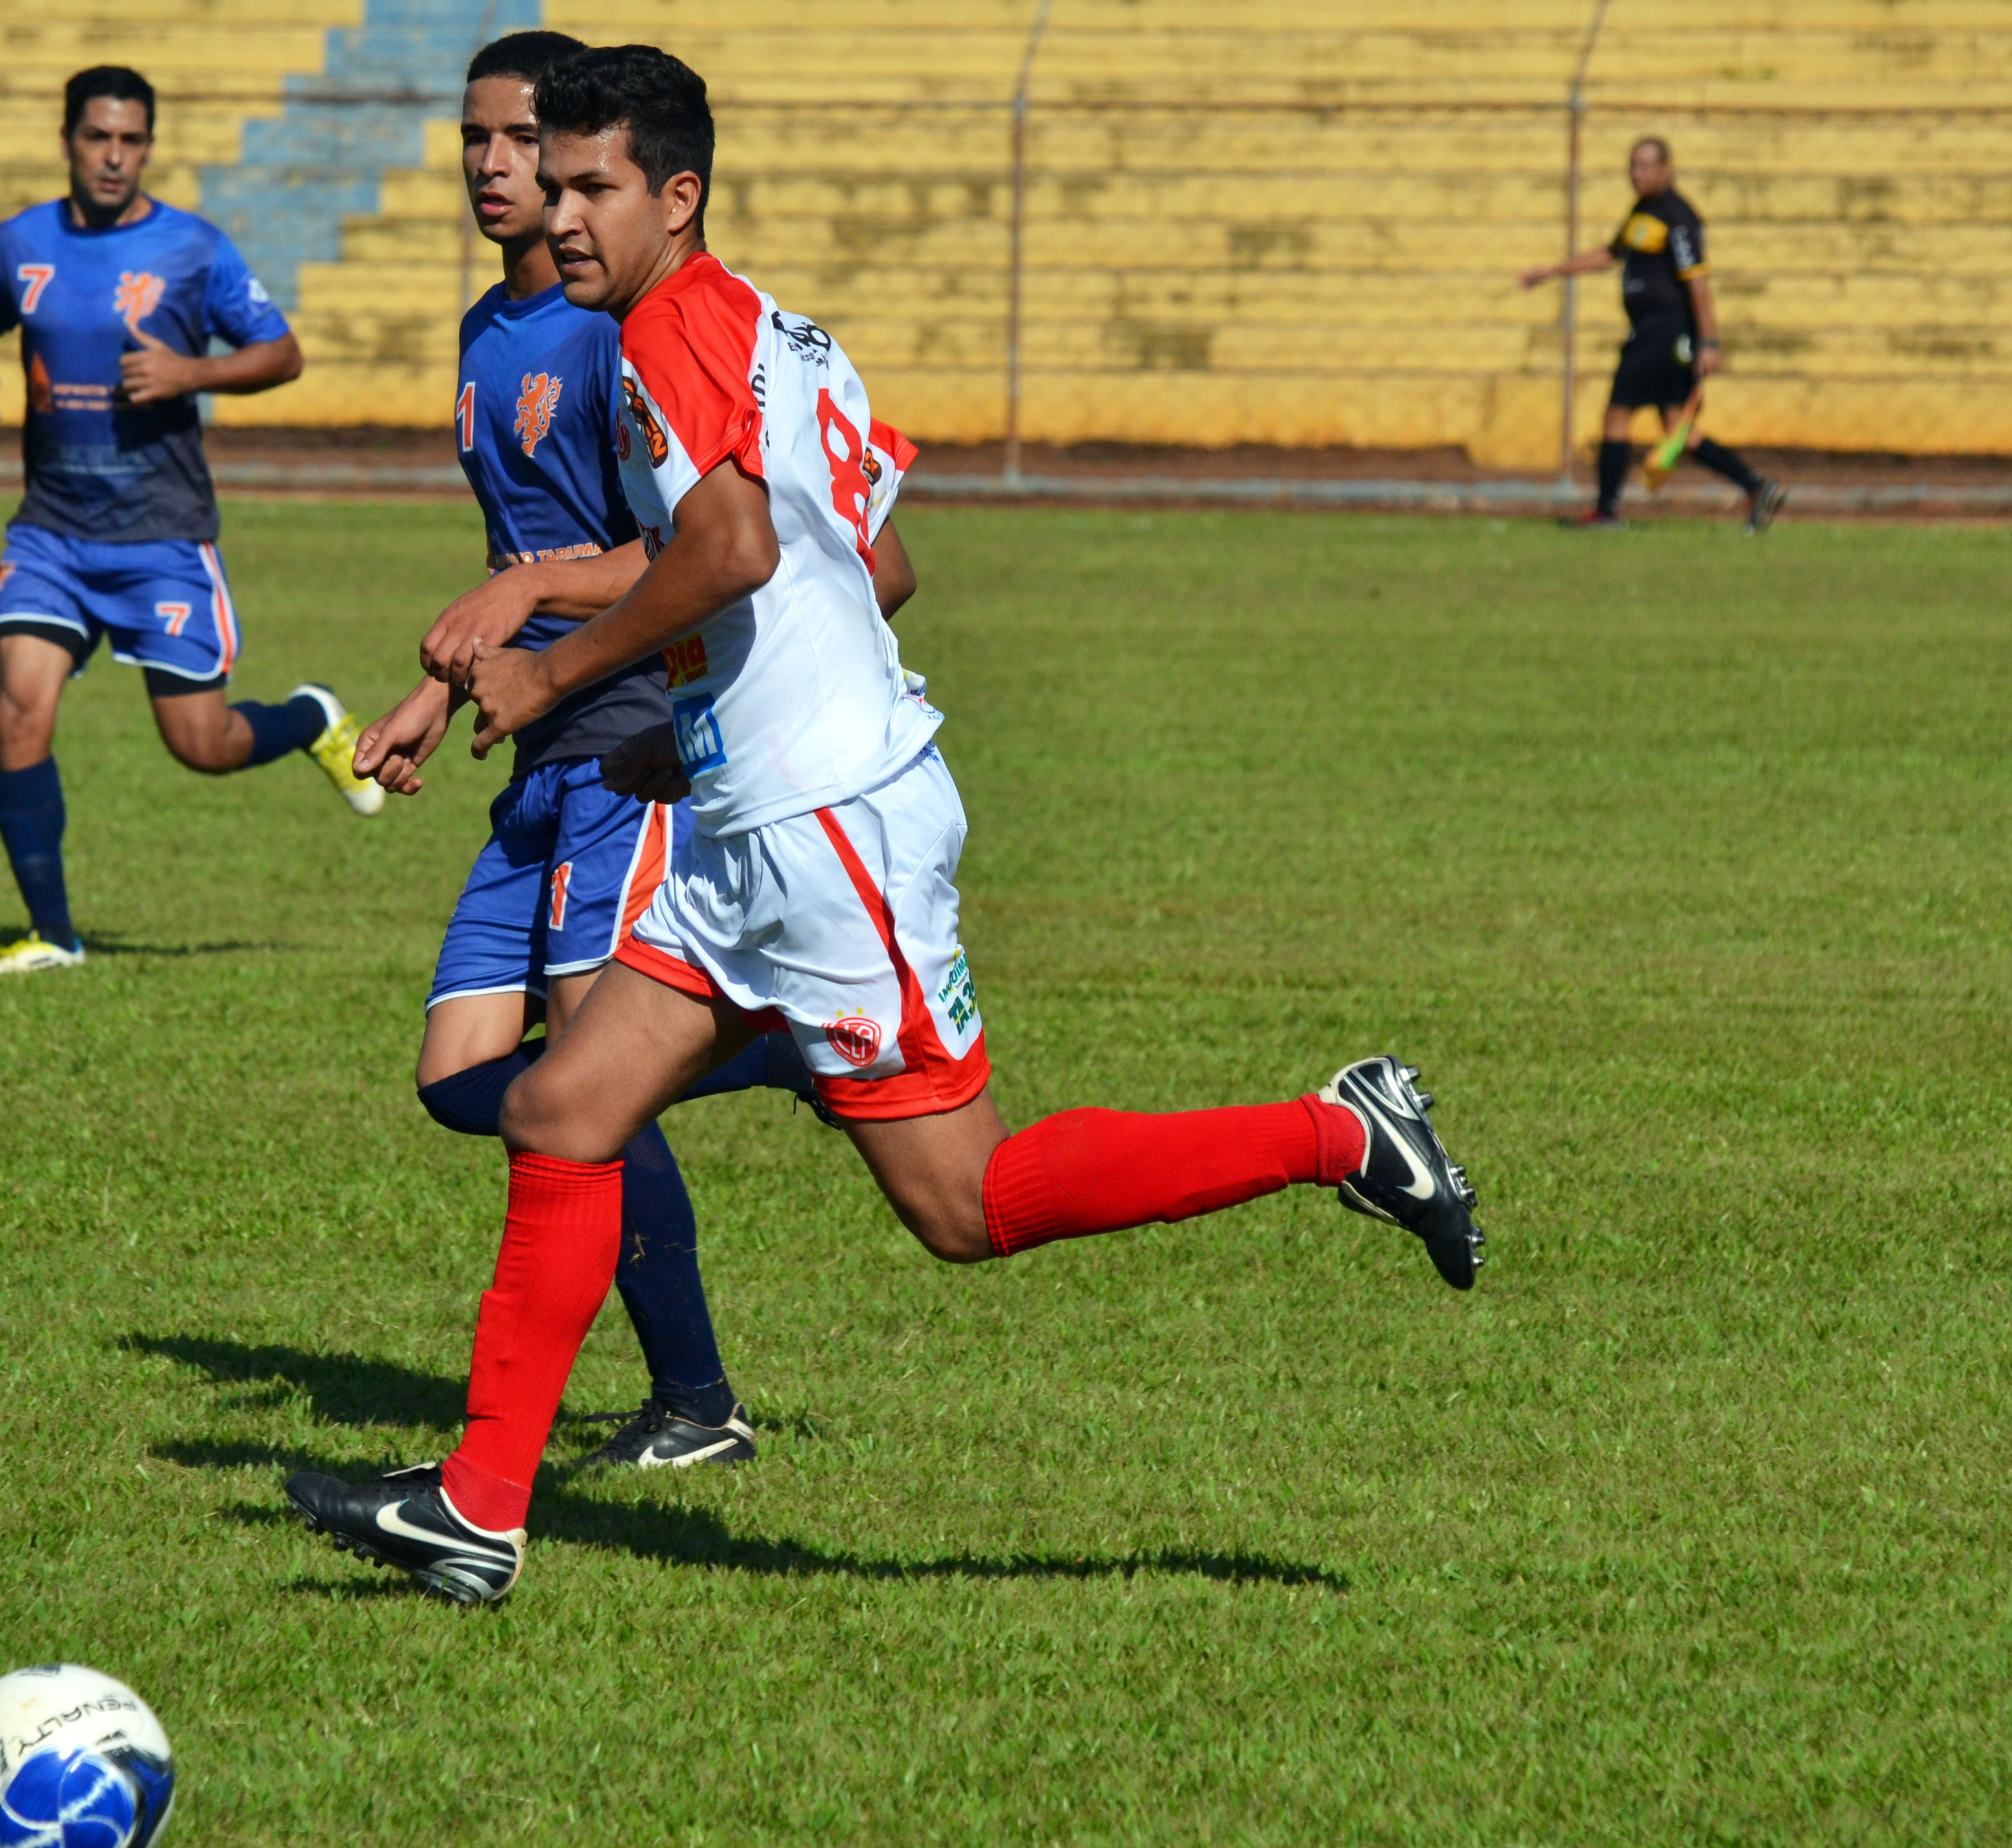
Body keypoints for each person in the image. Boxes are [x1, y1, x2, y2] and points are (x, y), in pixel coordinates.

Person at [285, 45, 1485, 1605]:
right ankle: (479, 1503)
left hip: (826, 832)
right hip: (762, 814)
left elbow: (727, 546)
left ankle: (1346, 1128)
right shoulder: (780, 335)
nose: (566, 216)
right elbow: (872, 563)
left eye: (595, 186)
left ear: (677, 194)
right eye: (554, 183)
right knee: (562, 1108)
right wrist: (712, 737)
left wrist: (554, 666)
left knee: (966, 1204)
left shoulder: (661, 338)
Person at [346, 31, 912, 1469]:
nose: (494, 165)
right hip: (537, 741)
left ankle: (689, 1402)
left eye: (523, 141)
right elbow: (520, 553)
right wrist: (444, 678)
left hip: (632, 744)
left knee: (580, 1088)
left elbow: (707, 553)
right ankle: (775, 1047)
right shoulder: (491, 331)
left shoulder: (633, 331)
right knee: (459, 1073)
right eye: (471, 138)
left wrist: (537, 606)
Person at [0, 65, 384, 977]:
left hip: (161, 538)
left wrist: (192, 375)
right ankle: (55, 935)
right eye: (98, 137)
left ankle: (308, 719)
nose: (113, 156)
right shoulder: (16, 243)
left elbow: (283, 352)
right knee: (21, 710)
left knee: (202, 746)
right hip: (50, 534)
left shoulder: (193, 249)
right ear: (66, 139)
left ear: (148, 145)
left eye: (131, 140)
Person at [1523, 137, 1788, 533]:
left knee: (1618, 414)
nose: (1637, 174)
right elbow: (1611, 254)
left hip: (1663, 330)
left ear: (1667, 170)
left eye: (1645, 166)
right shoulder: (1642, 212)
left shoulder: (1678, 217)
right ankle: (1758, 486)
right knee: (1678, 430)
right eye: (1632, 166)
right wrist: (1553, 271)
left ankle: (1607, 513)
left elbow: (1698, 284)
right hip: (1653, 330)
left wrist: (1709, 343)